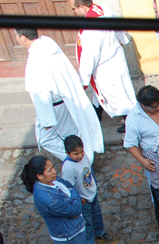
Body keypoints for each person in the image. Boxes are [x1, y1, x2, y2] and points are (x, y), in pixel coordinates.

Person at [16, 28, 104, 161]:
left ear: (23, 37)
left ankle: (79, 159)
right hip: (66, 98)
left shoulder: (36, 60)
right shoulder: (48, 44)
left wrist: (46, 119)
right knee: (72, 132)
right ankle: (82, 155)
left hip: (55, 106)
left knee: (47, 138)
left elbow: (41, 91)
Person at [21, 156, 103, 244]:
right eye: (49, 170)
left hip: (74, 226)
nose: (54, 171)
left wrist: (73, 194)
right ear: (40, 176)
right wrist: (75, 194)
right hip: (67, 233)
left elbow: (68, 185)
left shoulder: (52, 181)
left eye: (52, 167)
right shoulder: (47, 198)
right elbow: (74, 208)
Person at [68, 0, 136, 132]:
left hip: (104, 66)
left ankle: (129, 122)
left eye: (74, 8)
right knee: (107, 92)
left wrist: (83, 79)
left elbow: (89, 55)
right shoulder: (104, 9)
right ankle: (96, 113)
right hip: (115, 56)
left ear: (81, 7)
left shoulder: (91, 28)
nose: (74, 11)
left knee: (118, 95)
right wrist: (123, 40)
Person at [61, 135, 108, 244]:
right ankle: (89, 243)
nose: (80, 155)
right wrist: (79, 198)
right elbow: (69, 187)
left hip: (91, 193)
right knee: (87, 222)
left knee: (97, 215)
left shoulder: (85, 157)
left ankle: (99, 232)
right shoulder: (68, 168)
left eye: (81, 151)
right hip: (83, 199)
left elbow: (89, 169)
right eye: (75, 154)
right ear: (68, 153)